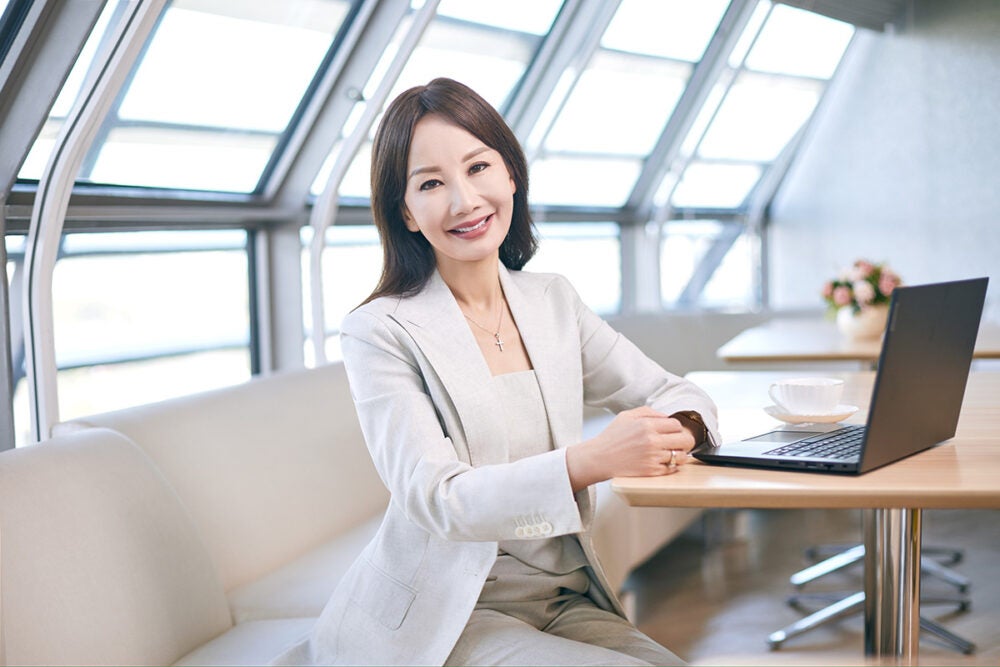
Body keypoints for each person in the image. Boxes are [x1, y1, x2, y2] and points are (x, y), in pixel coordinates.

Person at [274, 77, 719, 667]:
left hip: (563, 598)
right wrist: (594, 460)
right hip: (449, 616)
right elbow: (438, 499)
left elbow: (675, 393)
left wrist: (676, 430)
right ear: (406, 212)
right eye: (431, 183)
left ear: (511, 174)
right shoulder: (380, 331)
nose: (464, 200)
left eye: (478, 167)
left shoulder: (553, 302)